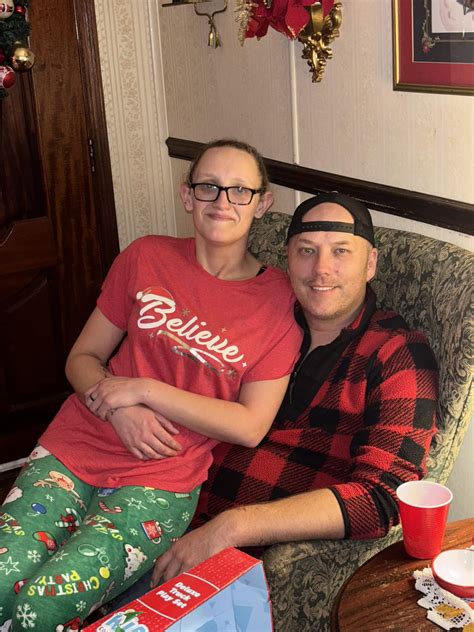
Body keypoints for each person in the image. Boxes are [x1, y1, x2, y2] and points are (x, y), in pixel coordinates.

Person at [0, 139, 302, 631]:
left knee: (44, 605)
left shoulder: (279, 303)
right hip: (77, 444)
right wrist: (119, 409)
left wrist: (143, 390)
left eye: (239, 190)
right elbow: (81, 359)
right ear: (187, 196)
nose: (222, 201)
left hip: (162, 478)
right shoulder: (146, 256)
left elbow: (250, 426)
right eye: (208, 187)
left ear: (262, 203)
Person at [151, 191, 438, 585]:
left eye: (341, 251)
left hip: (239, 562)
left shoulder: (397, 353)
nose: (321, 270)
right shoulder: (256, 321)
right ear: (287, 259)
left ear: (370, 263)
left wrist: (231, 527)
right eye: (306, 251)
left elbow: (383, 499)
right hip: (159, 501)